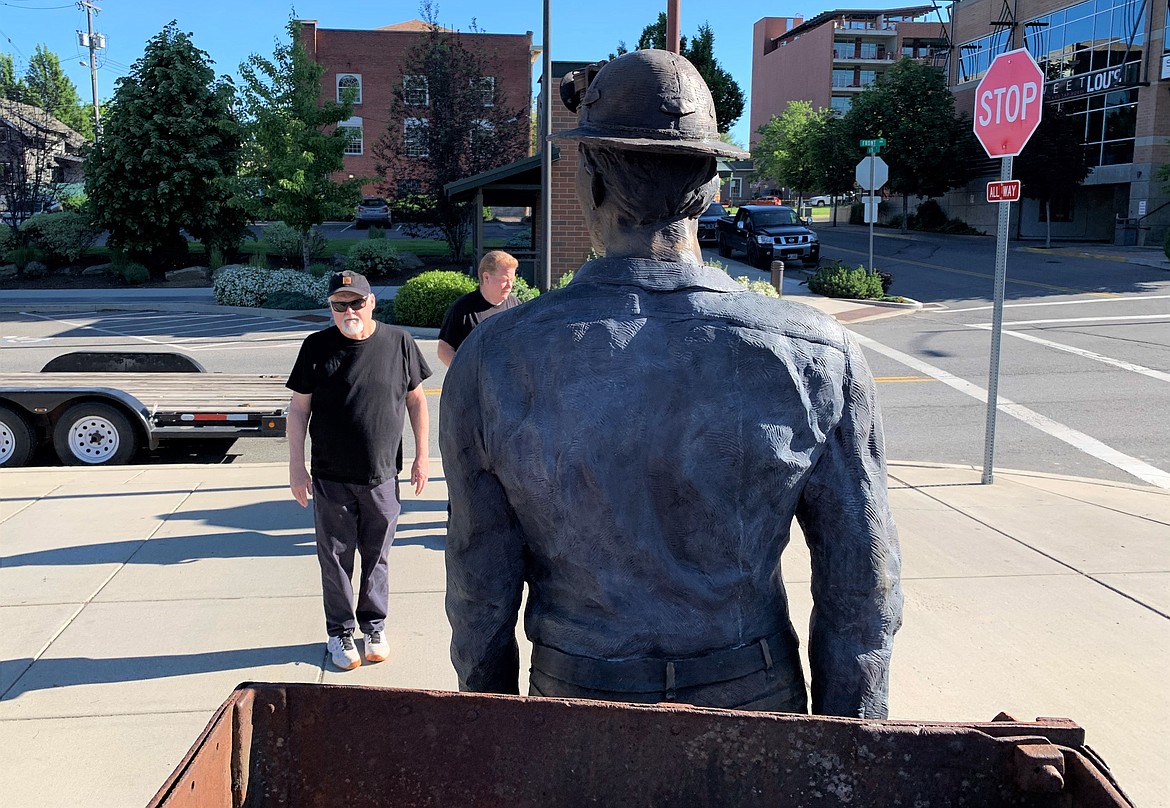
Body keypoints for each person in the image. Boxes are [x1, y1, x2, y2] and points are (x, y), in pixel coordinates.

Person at [440, 50, 902, 717]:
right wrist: (848, 753)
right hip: (755, 702)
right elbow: (864, 589)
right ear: (711, 183)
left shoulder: (494, 357)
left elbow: (479, 588)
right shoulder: (816, 353)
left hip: (573, 706)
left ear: (589, 179)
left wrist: (493, 738)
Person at [287, 269, 431, 671]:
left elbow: (417, 401)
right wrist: (297, 469)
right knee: (335, 559)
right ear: (331, 308)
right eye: (339, 304)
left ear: (371, 303)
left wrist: (423, 457)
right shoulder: (316, 346)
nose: (348, 310)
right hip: (330, 475)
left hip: (383, 474)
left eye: (356, 302)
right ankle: (340, 631)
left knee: (377, 556)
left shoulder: (399, 341)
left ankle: (374, 626)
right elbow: (299, 410)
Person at [436, 250, 520, 366]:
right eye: (504, 280)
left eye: (512, 280)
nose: (509, 286)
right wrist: (465, 374)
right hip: (475, 382)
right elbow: (444, 350)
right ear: (486, 277)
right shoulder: (463, 309)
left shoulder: (516, 305)